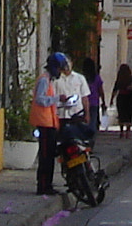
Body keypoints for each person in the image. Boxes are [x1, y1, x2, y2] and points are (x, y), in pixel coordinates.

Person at [33, 52, 90, 196]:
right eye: (59, 69)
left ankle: (48, 184)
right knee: (45, 156)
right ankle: (43, 185)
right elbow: (40, 99)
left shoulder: (49, 80)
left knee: (50, 154)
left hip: (51, 122)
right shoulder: (44, 80)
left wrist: (61, 102)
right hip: (44, 123)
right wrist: (57, 98)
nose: (60, 72)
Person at [112, 62, 132, 132]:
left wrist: (111, 100)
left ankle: (121, 131)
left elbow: (115, 90)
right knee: (129, 115)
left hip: (121, 97)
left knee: (121, 114)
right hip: (130, 98)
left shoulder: (119, 80)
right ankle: (128, 131)